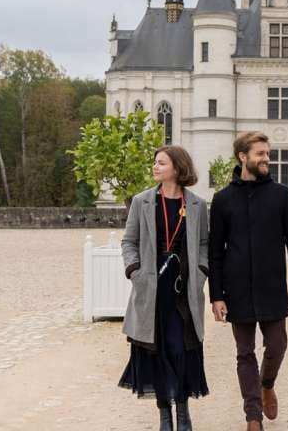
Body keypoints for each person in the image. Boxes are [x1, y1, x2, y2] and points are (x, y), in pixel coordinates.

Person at [210, 132, 288, 431]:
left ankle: (267, 384)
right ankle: (253, 416)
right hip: (236, 289)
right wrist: (216, 295)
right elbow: (215, 252)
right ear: (243, 157)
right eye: (261, 154)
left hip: (272, 286)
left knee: (277, 345)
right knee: (244, 353)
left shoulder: (281, 195)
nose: (267, 158)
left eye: (268, 153)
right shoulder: (222, 199)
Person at [119, 145, 210, 431]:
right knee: (156, 352)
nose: (155, 167)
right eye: (155, 162)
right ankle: (165, 417)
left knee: (181, 350)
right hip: (151, 290)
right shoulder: (141, 201)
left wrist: (201, 271)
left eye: (161, 163)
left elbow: (204, 243)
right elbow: (129, 241)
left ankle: (183, 412)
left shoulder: (197, 204)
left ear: (177, 168)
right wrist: (134, 270)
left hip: (184, 291)